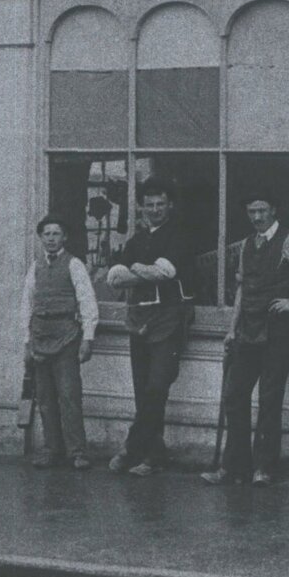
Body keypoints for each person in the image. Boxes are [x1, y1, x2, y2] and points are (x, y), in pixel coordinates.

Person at [203, 192, 289, 487]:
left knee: (269, 401)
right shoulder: (247, 244)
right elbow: (242, 290)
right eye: (251, 211)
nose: (257, 217)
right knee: (235, 397)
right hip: (247, 331)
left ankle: (264, 468)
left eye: (261, 210)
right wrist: (232, 329)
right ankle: (234, 467)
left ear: (273, 209)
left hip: (277, 333)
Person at [103, 177, 191, 475]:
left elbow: (165, 272)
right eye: (149, 204)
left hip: (168, 320)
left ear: (171, 206)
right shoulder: (136, 240)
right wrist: (143, 271)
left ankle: (132, 448)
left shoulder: (180, 235)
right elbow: (114, 277)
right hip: (138, 319)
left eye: (160, 204)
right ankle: (153, 455)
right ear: (141, 207)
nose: (155, 210)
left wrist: (136, 270)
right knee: (143, 390)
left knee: (156, 388)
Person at [18, 214, 100, 469]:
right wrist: (26, 342)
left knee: (69, 396)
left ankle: (78, 452)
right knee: (44, 398)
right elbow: (26, 305)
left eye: (56, 234)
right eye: (47, 234)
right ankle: (53, 449)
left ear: (64, 237)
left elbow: (88, 302)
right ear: (40, 237)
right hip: (40, 339)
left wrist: (88, 338)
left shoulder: (74, 265)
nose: (51, 239)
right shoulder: (35, 267)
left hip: (66, 338)